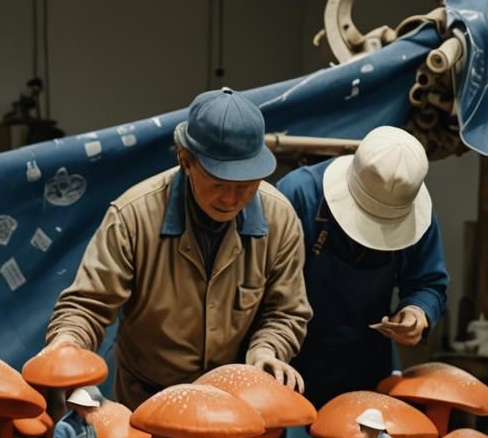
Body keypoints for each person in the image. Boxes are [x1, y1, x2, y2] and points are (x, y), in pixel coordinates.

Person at [43, 87, 312, 407]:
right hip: (149, 399)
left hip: (240, 403)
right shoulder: (133, 217)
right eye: (217, 182)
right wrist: (67, 343)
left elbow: (285, 312)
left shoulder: (279, 219)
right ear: (185, 160)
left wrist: (267, 351)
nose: (231, 200)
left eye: (245, 185)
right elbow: (87, 305)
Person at [274, 126, 449, 438]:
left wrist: (417, 312)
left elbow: (429, 282)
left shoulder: (416, 210)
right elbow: (262, 288)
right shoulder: (299, 195)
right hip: (291, 360)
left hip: (367, 363)